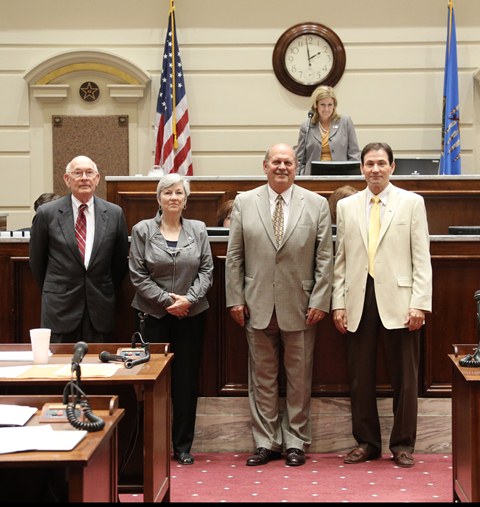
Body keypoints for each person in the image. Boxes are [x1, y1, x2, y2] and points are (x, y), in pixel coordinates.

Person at [225, 143, 333, 467]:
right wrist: (235, 299)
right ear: (265, 166)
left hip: (302, 306)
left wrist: (321, 300)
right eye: (276, 161)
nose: (282, 166)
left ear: (296, 166)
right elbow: (234, 256)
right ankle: (265, 442)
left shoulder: (316, 204)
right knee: (262, 377)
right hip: (255, 304)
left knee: (299, 378)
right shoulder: (245, 202)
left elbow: (325, 257)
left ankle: (296, 441)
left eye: (287, 162)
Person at [331, 142, 432, 468]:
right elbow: (341, 261)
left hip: (401, 302)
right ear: (361, 168)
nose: (375, 169)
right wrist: (338, 303)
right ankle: (367, 443)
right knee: (360, 378)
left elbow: (422, 259)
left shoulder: (412, 203)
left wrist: (419, 303)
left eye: (381, 163)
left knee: (405, 378)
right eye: (369, 164)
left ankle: (403, 445)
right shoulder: (347, 206)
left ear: (392, 167)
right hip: (359, 298)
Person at [129, 172, 214, 466]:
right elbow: (138, 276)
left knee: (186, 381)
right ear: (158, 198)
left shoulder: (198, 229)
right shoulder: (142, 230)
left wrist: (188, 299)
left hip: (192, 315)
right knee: (152, 381)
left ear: (186, 200)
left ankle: (182, 446)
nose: (173, 197)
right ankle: (152, 444)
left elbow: (207, 270)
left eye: (179, 192)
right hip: (153, 315)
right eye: (167, 193)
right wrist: (168, 302)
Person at [29, 155, 129, 343]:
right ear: (67, 179)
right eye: (78, 173)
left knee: (98, 370)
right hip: (60, 309)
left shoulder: (114, 213)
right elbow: (37, 262)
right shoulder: (47, 213)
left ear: (97, 178)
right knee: (58, 370)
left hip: (99, 309)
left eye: (89, 173)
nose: (84, 177)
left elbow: (118, 262)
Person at [295, 85, 360, 175]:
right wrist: (301, 177)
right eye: (322, 104)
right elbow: (300, 159)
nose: (326, 109)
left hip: (341, 175)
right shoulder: (306, 126)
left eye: (330, 105)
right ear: (316, 105)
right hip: (313, 177)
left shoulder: (345, 122)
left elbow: (354, 154)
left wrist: (354, 177)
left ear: (334, 105)